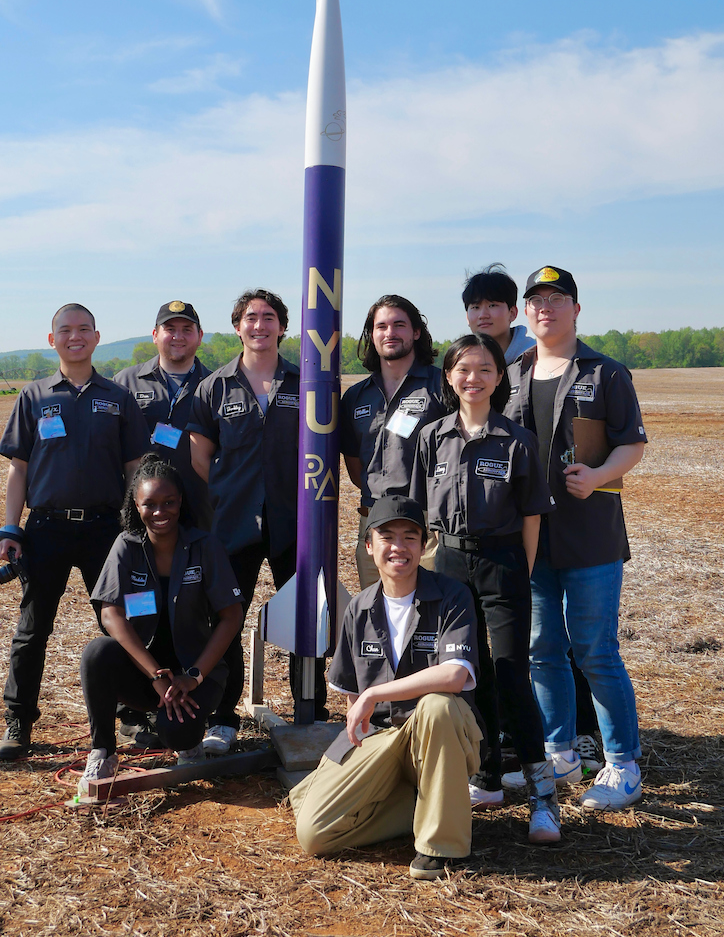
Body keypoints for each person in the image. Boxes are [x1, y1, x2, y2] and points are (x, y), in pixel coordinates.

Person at [504, 266, 648, 811]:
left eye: (557, 298)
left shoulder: (606, 373)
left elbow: (632, 444)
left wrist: (599, 476)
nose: (546, 308)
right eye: (536, 300)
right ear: (526, 312)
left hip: (590, 537)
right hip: (532, 537)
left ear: (576, 310)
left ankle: (622, 764)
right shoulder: (513, 373)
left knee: (594, 650)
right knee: (542, 650)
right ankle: (558, 752)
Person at [410, 333, 561, 843]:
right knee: (461, 673)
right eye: (462, 370)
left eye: (483, 370)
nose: (472, 379)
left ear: (499, 378)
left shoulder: (517, 440)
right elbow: (418, 513)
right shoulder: (432, 437)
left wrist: (520, 569)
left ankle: (544, 798)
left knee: (512, 675)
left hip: (504, 564)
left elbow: (532, 516)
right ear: (449, 377)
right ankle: (487, 776)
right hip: (449, 563)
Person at [290, 496, 483, 881]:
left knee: (437, 707)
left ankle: (441, 846)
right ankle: (421, 806)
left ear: (425, 544)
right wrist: (359, 715)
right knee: (314, 834)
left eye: (410, 537)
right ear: (368, 546)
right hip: (381, 738)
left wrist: (375, 694)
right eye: (387, 537)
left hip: (438, 737)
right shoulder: (358, 609)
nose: (399, 547)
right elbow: (349, 692)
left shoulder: (452, 596)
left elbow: (454, 676)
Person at [0, 304, 150, 761]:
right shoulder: (34, 396)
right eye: (66, 330)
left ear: (97, 337)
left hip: (107, 528)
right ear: (51, 338)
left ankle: (136, 710)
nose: (74, 337)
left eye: (83, 330)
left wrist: (136, 530)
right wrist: (10, 526)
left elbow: (135, 468)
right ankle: (19, 720)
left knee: (126, 621)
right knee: (32, 628)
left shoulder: (117, 397)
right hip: (46, 530)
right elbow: (18, 469)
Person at [187, 290, 327, 754]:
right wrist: (232, 493)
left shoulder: (307, 381)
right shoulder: (214, 387)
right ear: (238, 326)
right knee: (226, 618)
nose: (260, 325)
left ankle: (312, 708)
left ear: (283, 327)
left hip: (296, 524)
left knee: (308, 615)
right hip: (235, 525)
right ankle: (223, 716)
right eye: (251, 317)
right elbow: (201, 456)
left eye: (269, 317)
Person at [77, 455, 244, 796]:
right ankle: (104, 753)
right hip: (147, 675)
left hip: (194, 677)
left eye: (168, 502)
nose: (159, 512)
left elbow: (232, 616)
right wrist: (156, 675)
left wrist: (194, 675)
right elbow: (110, 614)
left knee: (178, 734)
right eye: (149, 504)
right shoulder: (126, 546)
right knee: (97, 652)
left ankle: (189, 742)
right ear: (134, 505)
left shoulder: (204, 546)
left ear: (181, 501)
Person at [340, 295, 446, 589]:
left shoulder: (442, 387)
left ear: (416, 332)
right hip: (374, 521)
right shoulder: (356, 396)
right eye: (381, 326)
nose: (390, 333)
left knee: (429, 616)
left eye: (399, 325)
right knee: (377, 615)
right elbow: (353, 462)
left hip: (428, 523)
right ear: (372, 335)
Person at [114, 300, 212, 529]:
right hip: (141, 508)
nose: (178, 336)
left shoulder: (216, 385)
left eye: (187, 330)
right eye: (170, 329)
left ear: (200, 336)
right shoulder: (125, 382)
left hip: (198, 508)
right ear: (155, 335)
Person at [462, 262, 534, 363]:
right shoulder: (462, 361)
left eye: (492, 306)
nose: (483, 315)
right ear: (467, 317)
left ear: (512, 313)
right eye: (476, 307)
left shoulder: (534, 357)